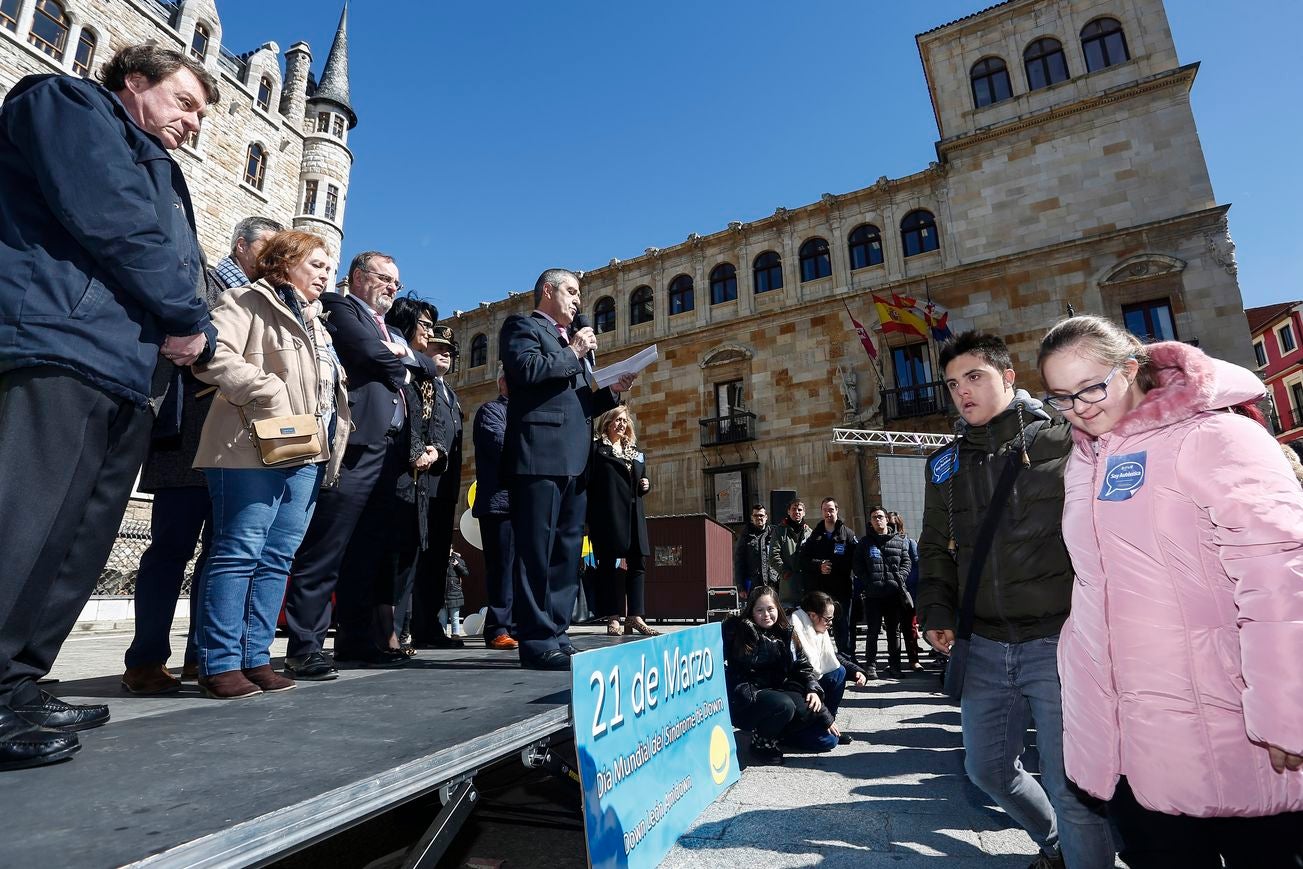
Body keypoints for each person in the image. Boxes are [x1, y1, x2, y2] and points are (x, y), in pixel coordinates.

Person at [0, 44, 219, 769]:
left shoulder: (159, 161)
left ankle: (16, 683)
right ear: (135, 82)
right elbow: (117, 220)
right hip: (59, 343)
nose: (194, 122)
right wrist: (188, 313)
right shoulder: (67, 104)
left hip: (126, 370)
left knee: (74, 540)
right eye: (185, 102)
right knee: (22, 526)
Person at [1038, 316, 1303, 867]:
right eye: (1062, 397)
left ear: (1129, 369)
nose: (1080, 407)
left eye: (1092, 387)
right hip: (1137, 744)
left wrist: (1289, 711)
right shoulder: (1085, 461)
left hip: (1237, 727)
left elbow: (1281, 576)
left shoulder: (1217, 435)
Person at [918, 331, 1114, 869]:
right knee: (987, 771)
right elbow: (933, 548)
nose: (962, 392)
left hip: (1056, 642)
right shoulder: (944, 466)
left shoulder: (1063, 440)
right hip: (981, 644)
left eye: (975, 377)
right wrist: (936, 610)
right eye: (953, 383)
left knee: (1071, 784)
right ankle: (1054, 844)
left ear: (1008, 378)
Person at [123, 215, 282, 695]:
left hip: (237, 449)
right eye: (268, 250)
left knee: (222, 554)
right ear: (241, 247)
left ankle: (206, 656)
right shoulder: (205, 283)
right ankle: (146, 659)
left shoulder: (268, 303)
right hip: (188, 445)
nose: (275, 261)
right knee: (170, 552)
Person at [190, 231, 349, 700]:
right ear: (284, 263)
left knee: (277, 559)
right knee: (238, 551)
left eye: (329, 267)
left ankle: (256, 658)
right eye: (316, 263)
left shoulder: (320, 326)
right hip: (245, 446)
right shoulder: (246, 301)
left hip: (306, 453)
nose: (326, 273)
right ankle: (218, 663)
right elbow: (211, 353)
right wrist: (267, 391)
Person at [284, 252, 438, 678]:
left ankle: (354, 641)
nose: (392, 287)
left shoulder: (390, 330)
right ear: (357, 277)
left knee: (367, 553)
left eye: (396, 282)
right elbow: (371, 354)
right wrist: (403, 364)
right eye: (384, 278)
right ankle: (305, 645)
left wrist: (402, 358)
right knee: (328, 545)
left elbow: (430, 366)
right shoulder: (340, 307)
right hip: (356, 444)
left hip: (390, 453)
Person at [499, 268, 635, 670]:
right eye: (572, 292)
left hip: (576, 460)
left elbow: (578, 404)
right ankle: (537, 640)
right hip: (538, 455)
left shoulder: (570, 345)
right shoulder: (522, 327)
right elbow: (526, 373)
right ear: (547, 291)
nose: (578, 301)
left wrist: (611, 390)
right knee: (536, 552)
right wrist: (573, 352)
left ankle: (557, 631)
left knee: (565, 552)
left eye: (580, 295)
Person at [376, 297, 449, 656]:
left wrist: (435, 449)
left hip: (418, 478)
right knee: (387, 554)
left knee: (409, 554)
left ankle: (401, 632)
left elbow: (430, 421)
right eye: (425, 326)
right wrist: (415, 450)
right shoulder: (397, 362)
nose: (430, 333)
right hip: (393, 471)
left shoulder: (426, 377)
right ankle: (385, 633)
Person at [721, 585, 836, 766]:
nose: (766, 614)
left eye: (770, 609)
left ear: (778, 609)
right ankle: (761, 744)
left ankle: (778, 734)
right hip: (749, 693)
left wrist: (812, 688)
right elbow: (740, 660)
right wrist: (742, 628)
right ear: (751, 611)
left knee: (809, 707)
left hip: (778, 689)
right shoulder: (741, 631)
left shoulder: (786, 631)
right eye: (759, 610)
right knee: (784, 705)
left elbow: (803, 665)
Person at [407, 323, 465, 650]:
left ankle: (429, 624)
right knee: (421, 553)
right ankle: (415, 625)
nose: (446, 354)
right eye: (439, 347)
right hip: (425, 482)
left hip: (445, 489)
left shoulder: (449, 393)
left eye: (450, 351)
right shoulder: (422, 385)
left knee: (437, 558)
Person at [587, 407, 658, 637]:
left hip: (634, 515)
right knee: (607, 566)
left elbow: (641, 477)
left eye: (624, 420)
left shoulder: (636, 452)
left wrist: (645, 483)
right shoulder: (597, 450)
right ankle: (613, 616)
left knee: (637, 564)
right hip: (608, 516)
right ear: (607, 422)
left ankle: (635, 616)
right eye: (617, 420)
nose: (621, 424)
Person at [472, 365, 518, 650]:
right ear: (502, 382)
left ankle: (517, 625)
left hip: (522, 505)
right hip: (500, 505)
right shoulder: (491, 411)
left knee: (521, 569)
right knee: (501, 568)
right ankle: (498, 628)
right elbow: (502, 447)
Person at [791, 590, 868, 744]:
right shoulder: (795, 632)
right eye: (827, 619)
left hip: (812, 688)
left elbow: (832, 658)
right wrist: (813, 692)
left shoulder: (816, 630)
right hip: (798, 691)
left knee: (839, 671)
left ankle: (827, 725)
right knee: (828, 742)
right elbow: (802, 672)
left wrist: (856, 672)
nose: (830, 623)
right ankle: (791, 734)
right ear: (812, 615)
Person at [852, 506, 915, 678]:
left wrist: (899, 578)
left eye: (880, 516)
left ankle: (895, 666)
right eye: (874, 517)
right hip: (873, 594)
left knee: (894, 631)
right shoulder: (865, 542)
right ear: (870, 522)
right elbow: (857, 564)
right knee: (873, 631)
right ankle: (870, 666)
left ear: (887, 519)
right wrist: (868, 581)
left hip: (893, 594)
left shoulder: (900, 541)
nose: (877, 520)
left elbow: (907, 562)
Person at [797, 498, 858, 660]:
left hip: (842, 588)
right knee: (818, 626)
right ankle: (821, 659)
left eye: (831, 509)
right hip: (821, 590)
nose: (828, 513)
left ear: (837, 510)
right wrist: (819, 566)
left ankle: (847, 658)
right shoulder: (815, 535)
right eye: (825, 510)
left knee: (843, 626)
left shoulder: (848, 534)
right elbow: (804, 559)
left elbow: (856, 560)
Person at [889, 511, 926, 666]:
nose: (892, 527)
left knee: (909, 627)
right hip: (889, 590)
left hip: (906, 590)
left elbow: (916, 567)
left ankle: (914, 659)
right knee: (893, 628)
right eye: (889, 523)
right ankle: (894, 661)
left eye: (894, 523)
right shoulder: (882, 542)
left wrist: (910, 587)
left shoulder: (909, 542)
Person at [732, 504, 781, 596]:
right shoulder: (745, 537)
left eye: (761, 515)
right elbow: (739, 563)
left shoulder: (775, 533)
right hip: (754, 585)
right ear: (752, 518)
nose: (759, 518)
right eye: (756, 515)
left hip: (774, 584)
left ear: (766, 517)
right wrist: (741, 587)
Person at [775, 499, 812, 607]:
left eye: (800, 510)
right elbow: (773, 556)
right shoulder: (780, 531)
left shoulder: (809, 533)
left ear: (804, 513)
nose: (797, 512)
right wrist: (785, 572)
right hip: (788, 589)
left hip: (806, 587)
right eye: (794, 509)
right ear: (788, 511)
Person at [440, 546, 467, 638]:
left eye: (450, 548)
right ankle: (442, 635)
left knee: (455, 617)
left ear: (452, 549)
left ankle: (455, 635)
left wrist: (457, 565)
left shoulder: (458, 560)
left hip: (454, 592)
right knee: (442, 618)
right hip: (442, 593)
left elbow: (465, 573)